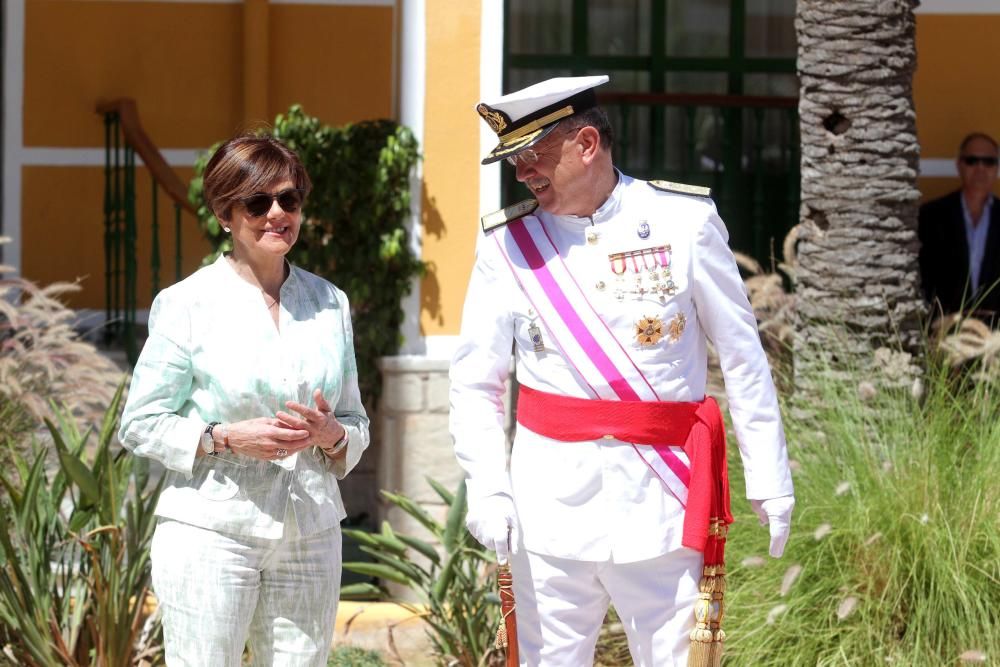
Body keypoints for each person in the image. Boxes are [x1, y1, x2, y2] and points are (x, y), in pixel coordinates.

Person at [449, 76, 795, 666]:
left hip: (662, 504)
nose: (523, 175)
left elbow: (741, 356)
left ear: (586, 143)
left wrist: (769, 477)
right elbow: (476, 381)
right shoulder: (507, 244)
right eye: (515, 162)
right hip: (548, 511)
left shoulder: (682, 222)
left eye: (534, 157)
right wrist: (488, 487)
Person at [118, 135, 370, 666]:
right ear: (224, 213)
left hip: (311, 532)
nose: (278, 213)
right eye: (258, 202)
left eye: (290, 200)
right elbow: (140, 422)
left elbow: (354, 419)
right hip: (212, 532)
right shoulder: (187, 304)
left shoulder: (330, 303)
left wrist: (333, 436)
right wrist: (226, 437)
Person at [918, 132, 1000, 324]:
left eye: (988, 161)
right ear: (959, 165)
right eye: (972, 160)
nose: (980, 168)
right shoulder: (930, 216)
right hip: (943, 335)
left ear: (996, 168)